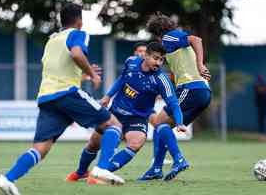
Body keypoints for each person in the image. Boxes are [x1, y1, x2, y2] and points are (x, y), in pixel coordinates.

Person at [0, 3, 125, 195]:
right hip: (67, 93)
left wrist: (82, 76)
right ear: (79, 20)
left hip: (47, 97)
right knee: (113, 125)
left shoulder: (52, 40)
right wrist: (92, 74)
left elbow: (56, 70)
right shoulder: (79, 34)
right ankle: (102, 168)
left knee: (41, 148)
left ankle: (7, 179)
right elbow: (76, 53)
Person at [66, 42, 186, 184]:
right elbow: (121, 79)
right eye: (156, 58)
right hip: (116, 112)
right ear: (145, 55)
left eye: (162, 59)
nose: (159, 62)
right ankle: (81, 172)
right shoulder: (131, 62)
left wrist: (179, 122)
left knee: (136, 143)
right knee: (93, 144)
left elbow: (173, 103)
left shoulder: (161, 80)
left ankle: (100, 173)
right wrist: (108, 96)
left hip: (138, 117)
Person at [138, 13, 211, 181]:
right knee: (162, 126)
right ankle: (157, 168)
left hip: (191, 89)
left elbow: (196, 40)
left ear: (157, 33)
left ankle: (176, 160)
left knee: (158, 123)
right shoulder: (172, 47)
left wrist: (200, 64)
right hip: (202, 92)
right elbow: (178, 70)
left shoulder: (170, 37)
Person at [134, 41, 172, 166]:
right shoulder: (132, 64)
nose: (141, 53)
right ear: (135, 53)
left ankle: (157, 158)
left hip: (144, 108)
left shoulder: (153, 70)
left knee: (157, 123)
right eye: (139, 51)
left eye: (143, 51)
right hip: (128, 106)